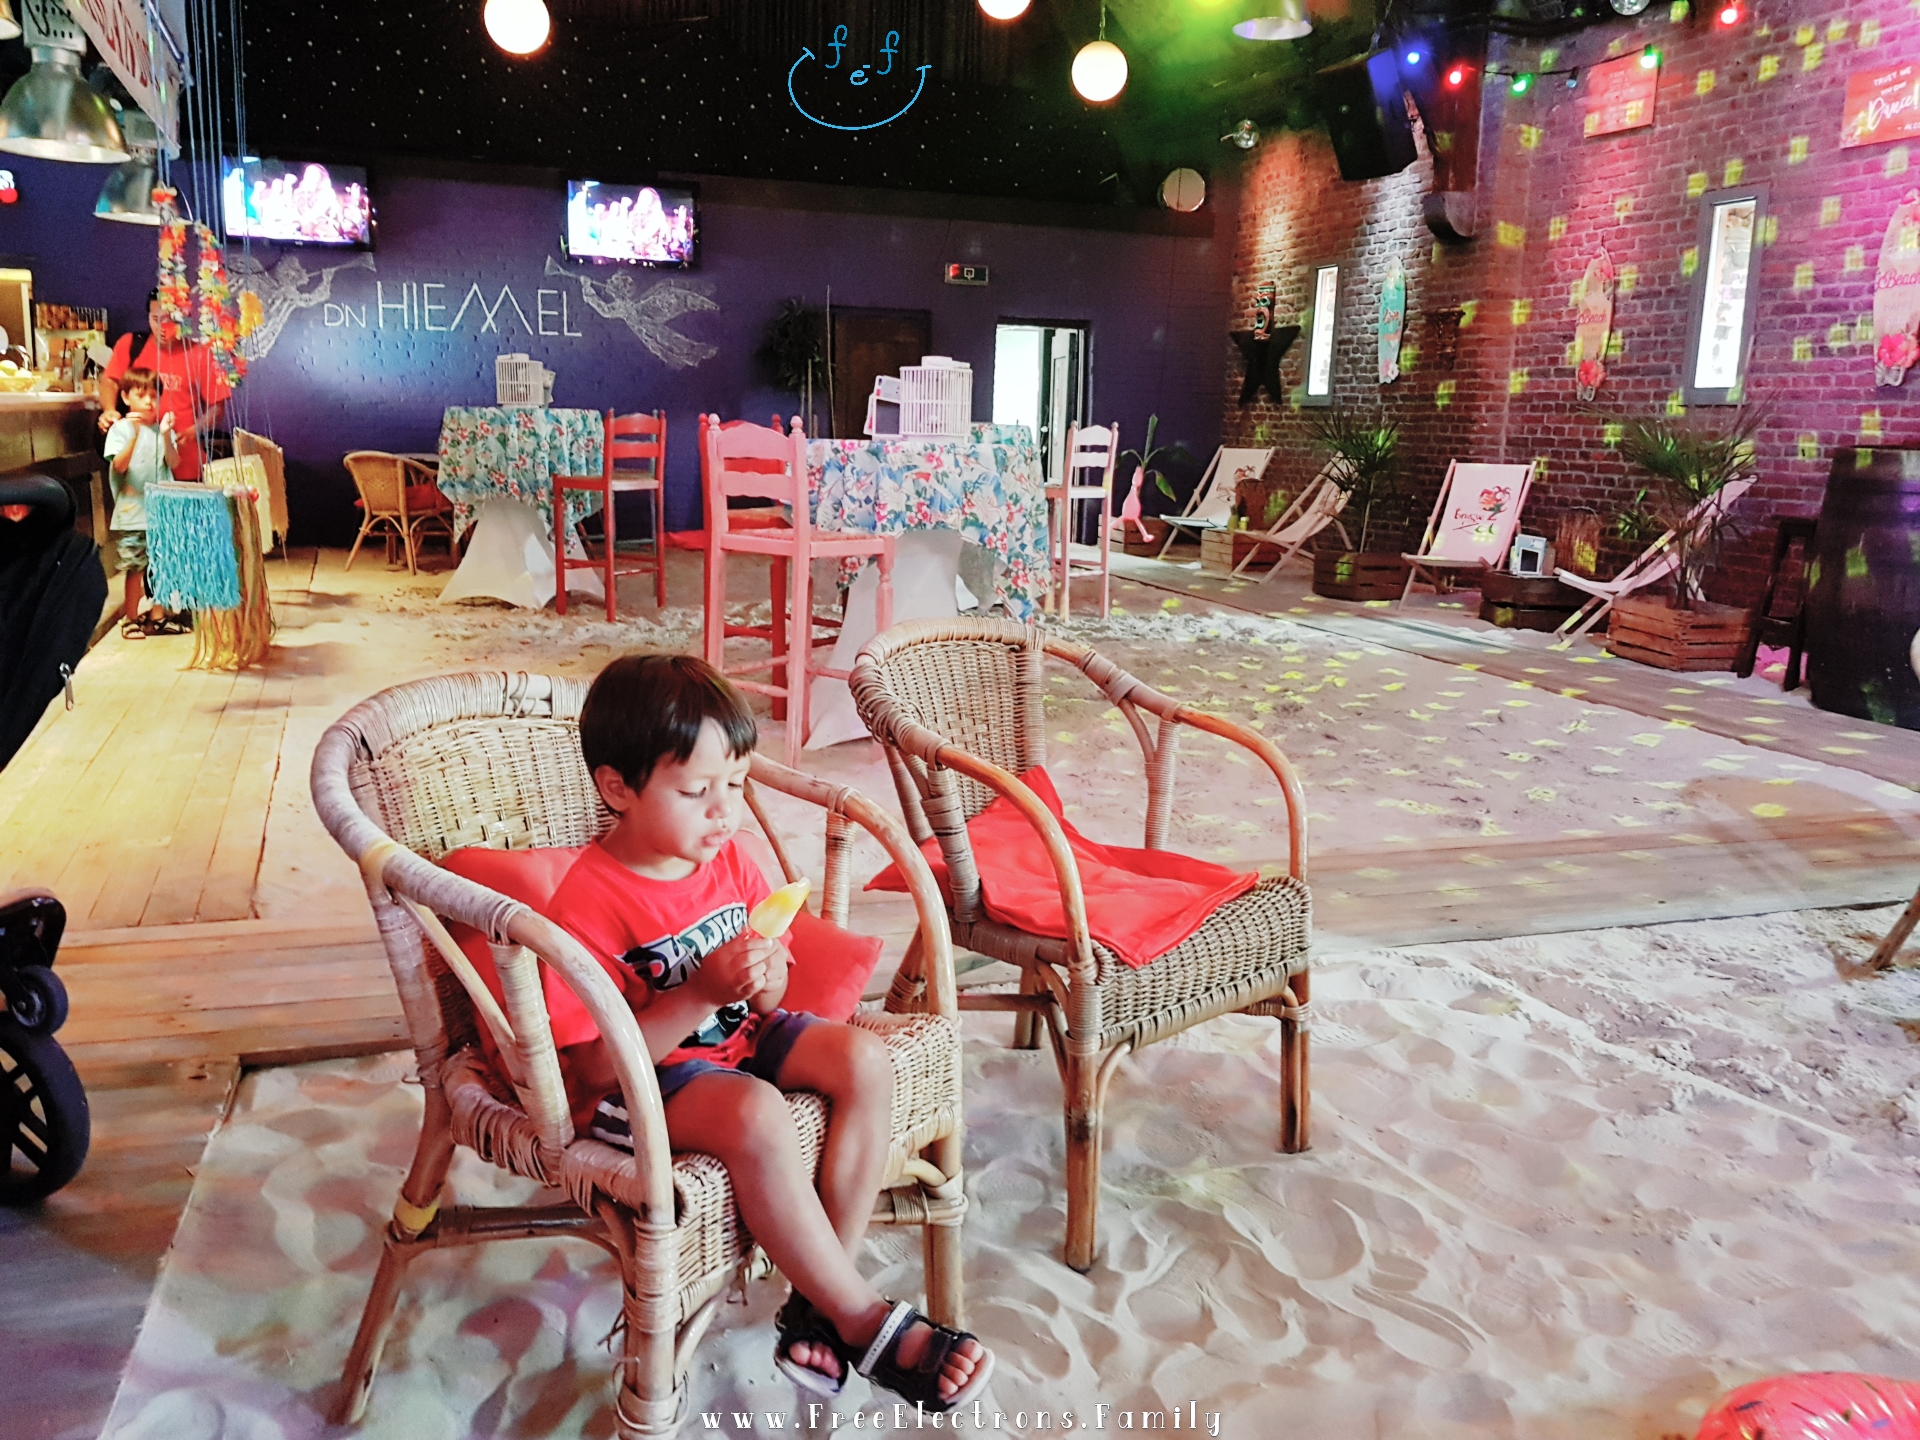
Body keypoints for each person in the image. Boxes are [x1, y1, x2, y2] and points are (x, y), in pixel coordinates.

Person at [545, 654, 993, 1409]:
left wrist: (765, 978)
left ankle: (815, 1308)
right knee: (756, 1112)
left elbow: (772, 980)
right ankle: (861, 1316)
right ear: (617, 788)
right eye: (696, 792)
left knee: (863, 1057)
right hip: (648, 1082)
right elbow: (590, 1069)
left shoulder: (726, 861)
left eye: (736, 785)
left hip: (737, 1036)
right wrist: (699, 994)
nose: (725, 812)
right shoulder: (586, 905)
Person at [96, 289, 230, 480]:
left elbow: (217, 408)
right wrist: (109, 409)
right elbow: (109, 381)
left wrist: (194, 431)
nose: (162, 327)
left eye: (170, 319)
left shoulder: (201, 354)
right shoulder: (130, 345)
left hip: (184, 463)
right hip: (138, 466)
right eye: (155, 319)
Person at [101, 368, 178, 633]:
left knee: (162, 564)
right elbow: (120, 466)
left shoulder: (161, 430)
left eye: (154, 396)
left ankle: (157, 615)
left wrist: (167, 434)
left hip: (161, 513)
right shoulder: (119, 431)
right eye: (141, 395)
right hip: (133, 513)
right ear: (125, 397)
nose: (148, 401)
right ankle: (131, 618)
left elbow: (174, 462)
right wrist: (134, 434)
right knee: (135, 567)